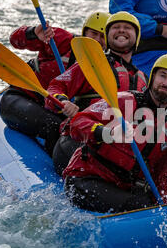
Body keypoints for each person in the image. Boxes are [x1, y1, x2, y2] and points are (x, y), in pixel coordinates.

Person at [62, 54, 167, 213]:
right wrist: (107, 133)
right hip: (85, 180)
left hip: (121, 188)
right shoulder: (123, 101)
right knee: (141, 206)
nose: (166, 83)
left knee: (148, 201)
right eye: (162, 76)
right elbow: (77, 124)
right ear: (153, 78)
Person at [48, 11, 148, 175]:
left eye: (127, 28)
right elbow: (55, 88)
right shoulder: (92, 64)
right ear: (108, 37)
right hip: (78, 141)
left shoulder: (143, 79)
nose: (121, 30)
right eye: (116, 27)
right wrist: (63, 101)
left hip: (117, 147)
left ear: (136, 38)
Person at [0, 12, 109, 154]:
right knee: (54, 126)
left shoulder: (103, 67)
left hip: (54, 109)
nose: (98, 40)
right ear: (84, 32)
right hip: (22, 98)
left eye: (103, 37)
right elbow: (14, 40)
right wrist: (33, 33)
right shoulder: (61, 40)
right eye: (94, 34)